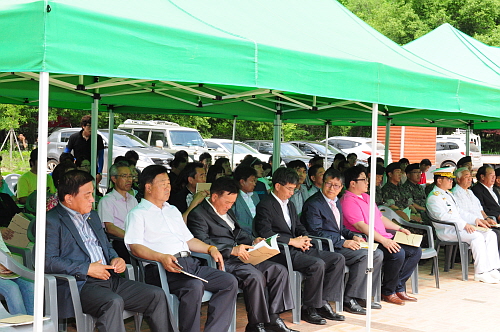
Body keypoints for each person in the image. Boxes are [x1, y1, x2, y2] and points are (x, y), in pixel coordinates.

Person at [45, 170, 170, 332]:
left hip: (109, 278)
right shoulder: (52, 221)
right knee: (113, 302)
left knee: (156, 295)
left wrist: (115, 258)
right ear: (69, 198)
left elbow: (106, 246)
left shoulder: (92, 216)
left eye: (92, 193)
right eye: (87, 195)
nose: (92, 199)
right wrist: (87, 268)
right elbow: (48, 261)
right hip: (80, 284)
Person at [125, 165, 238, 332]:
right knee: (194, 286)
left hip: (189, 264)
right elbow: (135, 247)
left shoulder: (172, 210)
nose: (168, 187)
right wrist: (160, 257)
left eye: (169, 183)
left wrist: (210, 248)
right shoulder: (137, 213)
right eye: (162, 183)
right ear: (148, 187)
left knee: (229, 281)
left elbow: (189, 240)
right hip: (162, 268)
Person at [187, 177, 296, 332]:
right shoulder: (198, 215)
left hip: (242, 255)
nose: (230, 206)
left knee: (278, 270)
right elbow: (204, 243)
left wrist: (254, 241)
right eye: (227, 202)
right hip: (222, 260)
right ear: (214, 197)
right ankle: (255, 325)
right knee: (255, 276)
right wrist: (231, 250)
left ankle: (273, 317)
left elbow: (237, 233)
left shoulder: (227, 211)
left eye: (232, 203)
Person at [255, 167, 346, 325]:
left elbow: (298, 226)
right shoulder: (265, 205)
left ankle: (322, 301)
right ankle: (308, 308)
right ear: (277, 186)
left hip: (296, 247)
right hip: (280, 250)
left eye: (294, 189)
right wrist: (291, 241)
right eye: (289, 189)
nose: (292, 193)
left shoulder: (289, 204)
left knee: (337, 259)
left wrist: (304, 237)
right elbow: (266, 233)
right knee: (316, 264)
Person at [302, 168, 383, 315]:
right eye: (329, 184)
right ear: (322, 183)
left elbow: (340, 227)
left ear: (341, 187)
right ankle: (349, 298)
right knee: (364, 256)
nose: (332, 188)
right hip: (325, 246)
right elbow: (315, 232)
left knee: (377, 253)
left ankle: (361, 295)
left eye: (336, 185)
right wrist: (342, 243)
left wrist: (352, 236)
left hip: (338, 242)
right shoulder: (314, 204)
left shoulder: (336, 201)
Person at [341, 165, 421, 305]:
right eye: (364, 179)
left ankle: (398, 287)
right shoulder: (348, 200)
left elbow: (381, 218)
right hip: (367, 239)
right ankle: (388, 291)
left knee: (415, 251)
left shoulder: (366, 196)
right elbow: (361, 226)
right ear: (353, 183)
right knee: (398, 253)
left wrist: (399, 228)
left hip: (383, 236)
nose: (367, 182)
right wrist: (384, 241)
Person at [427, 167, 500, 283]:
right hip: (448, 230)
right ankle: (480, 272)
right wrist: (464, 224)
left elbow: (459, 211)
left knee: (490, 234)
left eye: (451, 179)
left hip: (458, 228)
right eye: (448, 179)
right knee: (477, 237)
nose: (452, 181)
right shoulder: (434, 197)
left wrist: (476, 220)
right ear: (439, 181)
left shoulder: (448, 194)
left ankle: (492, 269)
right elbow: (443, 217)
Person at [451, 167, 500, 253]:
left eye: (470, 176)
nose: (470, 179)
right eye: (467, 177)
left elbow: (480, 209)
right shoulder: (455, 193)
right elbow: (462, 214)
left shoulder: (470, 192)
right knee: (495, 233)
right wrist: (479, 221)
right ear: (458, 179)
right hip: (470, 224)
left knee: (496, 231)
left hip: (480, 222)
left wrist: (487, 218)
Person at [98, 161, 138, 263]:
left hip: (136, 240)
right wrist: (131, 238)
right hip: (120, 241)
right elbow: (110, 228)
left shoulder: (133, 199)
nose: (129, 180)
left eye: (130, 176)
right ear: (114, 179)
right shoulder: (107, 201)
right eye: (125, 176)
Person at [64, 115, 105, 185]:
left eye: (93, 126)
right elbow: (66, 154)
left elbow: (101, 156)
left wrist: (99, 172)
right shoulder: (74, 137)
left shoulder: (98, 138)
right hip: (78, 169)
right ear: (83, 126)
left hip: (92, 170)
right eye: (89, 126)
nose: (91, 128)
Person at [0, 234, 34, 315]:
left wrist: (8, 264)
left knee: (30, 285)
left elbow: (2, 247)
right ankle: (21, 325)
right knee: (12, 288)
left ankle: (32, 324)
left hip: (2, 269)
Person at [231, 166, 260, 235]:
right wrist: (253, 229)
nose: (254, 184)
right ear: (242, 182)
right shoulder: (234, 197)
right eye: (252, 181)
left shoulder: (255, 195)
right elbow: (233, 220)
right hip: (243, 234)